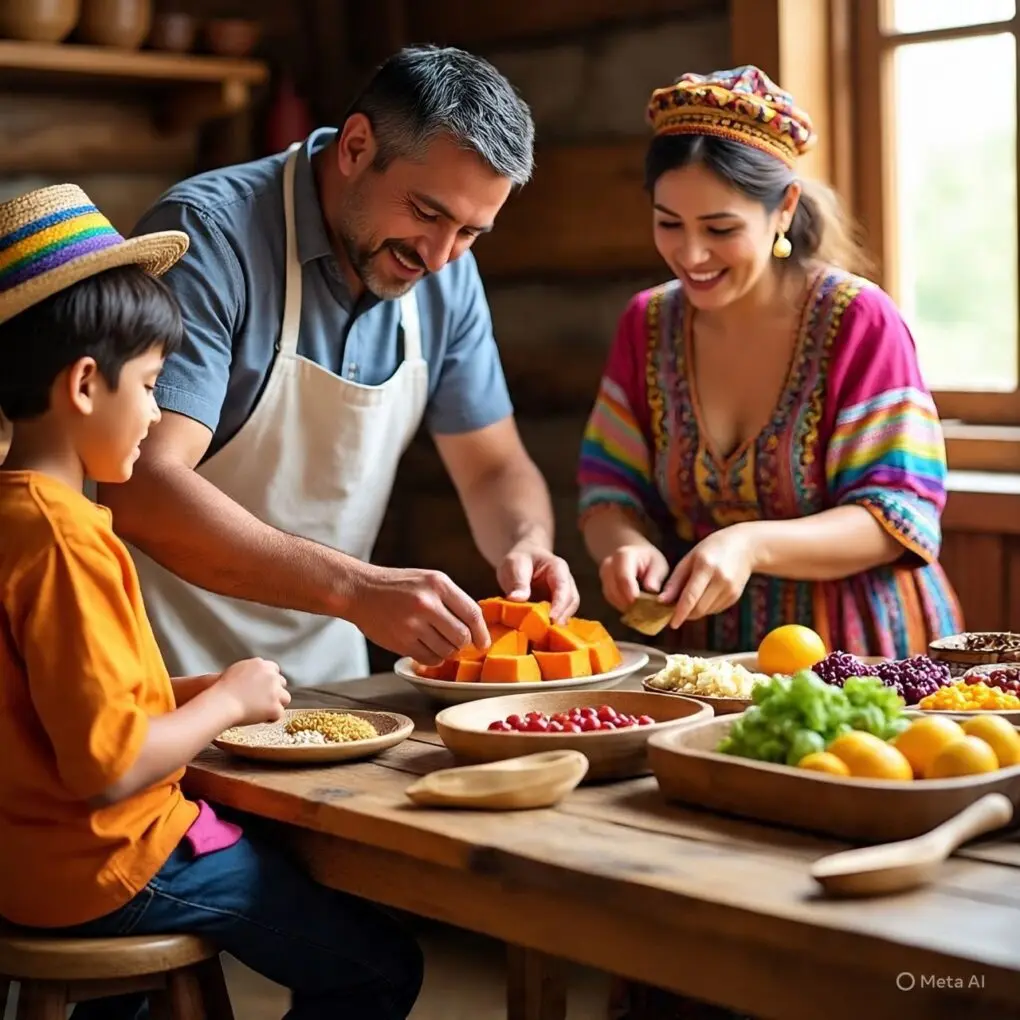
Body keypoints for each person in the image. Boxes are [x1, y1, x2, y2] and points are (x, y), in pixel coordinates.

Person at [0, 184, 423, 1020]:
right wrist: (229, 697)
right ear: (87, 384)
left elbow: (62, 716)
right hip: (107, 862)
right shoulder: (66, 538)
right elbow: (108, 765)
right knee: (379, 965)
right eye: (153, 386)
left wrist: (198, 695)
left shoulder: (17, 519)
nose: (159, 416)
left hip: (26, 859)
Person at [98, 45, 579, 687]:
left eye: (470, 233)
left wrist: (526, 542)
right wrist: (354, 590)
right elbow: (144, 488)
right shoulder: (212, 237)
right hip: (165, 677)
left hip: (333, 689)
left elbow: (493, 465)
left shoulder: (445, 274)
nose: (439, 257)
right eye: (428, 212)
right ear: (355, 147)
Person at [579, 65, 963, 664]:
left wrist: (752, 545)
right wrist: (622, 547)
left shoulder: (859, 319)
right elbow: (609, 486)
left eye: (720, 228)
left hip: (859, 654)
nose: (691, 254)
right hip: (701, 660)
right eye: (668, 223)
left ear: (783, 208)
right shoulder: (647, 323)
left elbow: (900, 514)